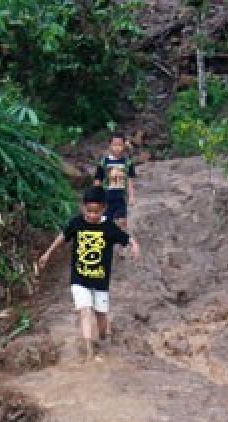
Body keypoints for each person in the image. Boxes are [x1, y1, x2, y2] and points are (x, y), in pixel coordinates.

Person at [36, 187, 140, 361]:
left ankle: (104, 339)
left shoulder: (108, 227)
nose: (92, 215)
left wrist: (134, 244)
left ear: (104, 209)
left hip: (100, 281)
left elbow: (125, 237)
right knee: (85, 311)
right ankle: (90, 353)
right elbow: (63, 236)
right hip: (79, 278)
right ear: (83, 207)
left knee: (101, 317)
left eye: (96, 212)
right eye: (89, 211)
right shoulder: (77, 223)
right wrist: (48, 253)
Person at [93, 133, 137, 229]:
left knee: (122, 221)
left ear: (124, 146)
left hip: (121, 198)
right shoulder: (104, 162)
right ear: (110, 146)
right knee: (105, 222)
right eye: (114, 145)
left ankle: (120, 241)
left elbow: (130, 181)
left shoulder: (127, 162)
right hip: (106, 198)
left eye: (120, 145)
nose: (117, 148)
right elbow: (98, 180)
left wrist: (132, 196)